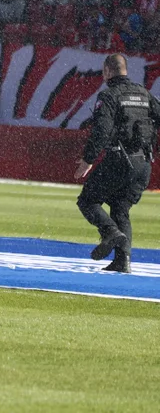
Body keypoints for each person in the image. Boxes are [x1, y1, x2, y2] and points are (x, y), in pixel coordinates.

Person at [73, 53, 160, 273]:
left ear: (107, 71)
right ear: (126, 70)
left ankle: (110, 232)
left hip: (120, 161)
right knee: (121, 210)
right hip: (143, 164)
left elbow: (101, 130)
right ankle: (123, 261)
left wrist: (88, 159)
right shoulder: (144, 94)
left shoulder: (109, 95)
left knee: (87, 200)